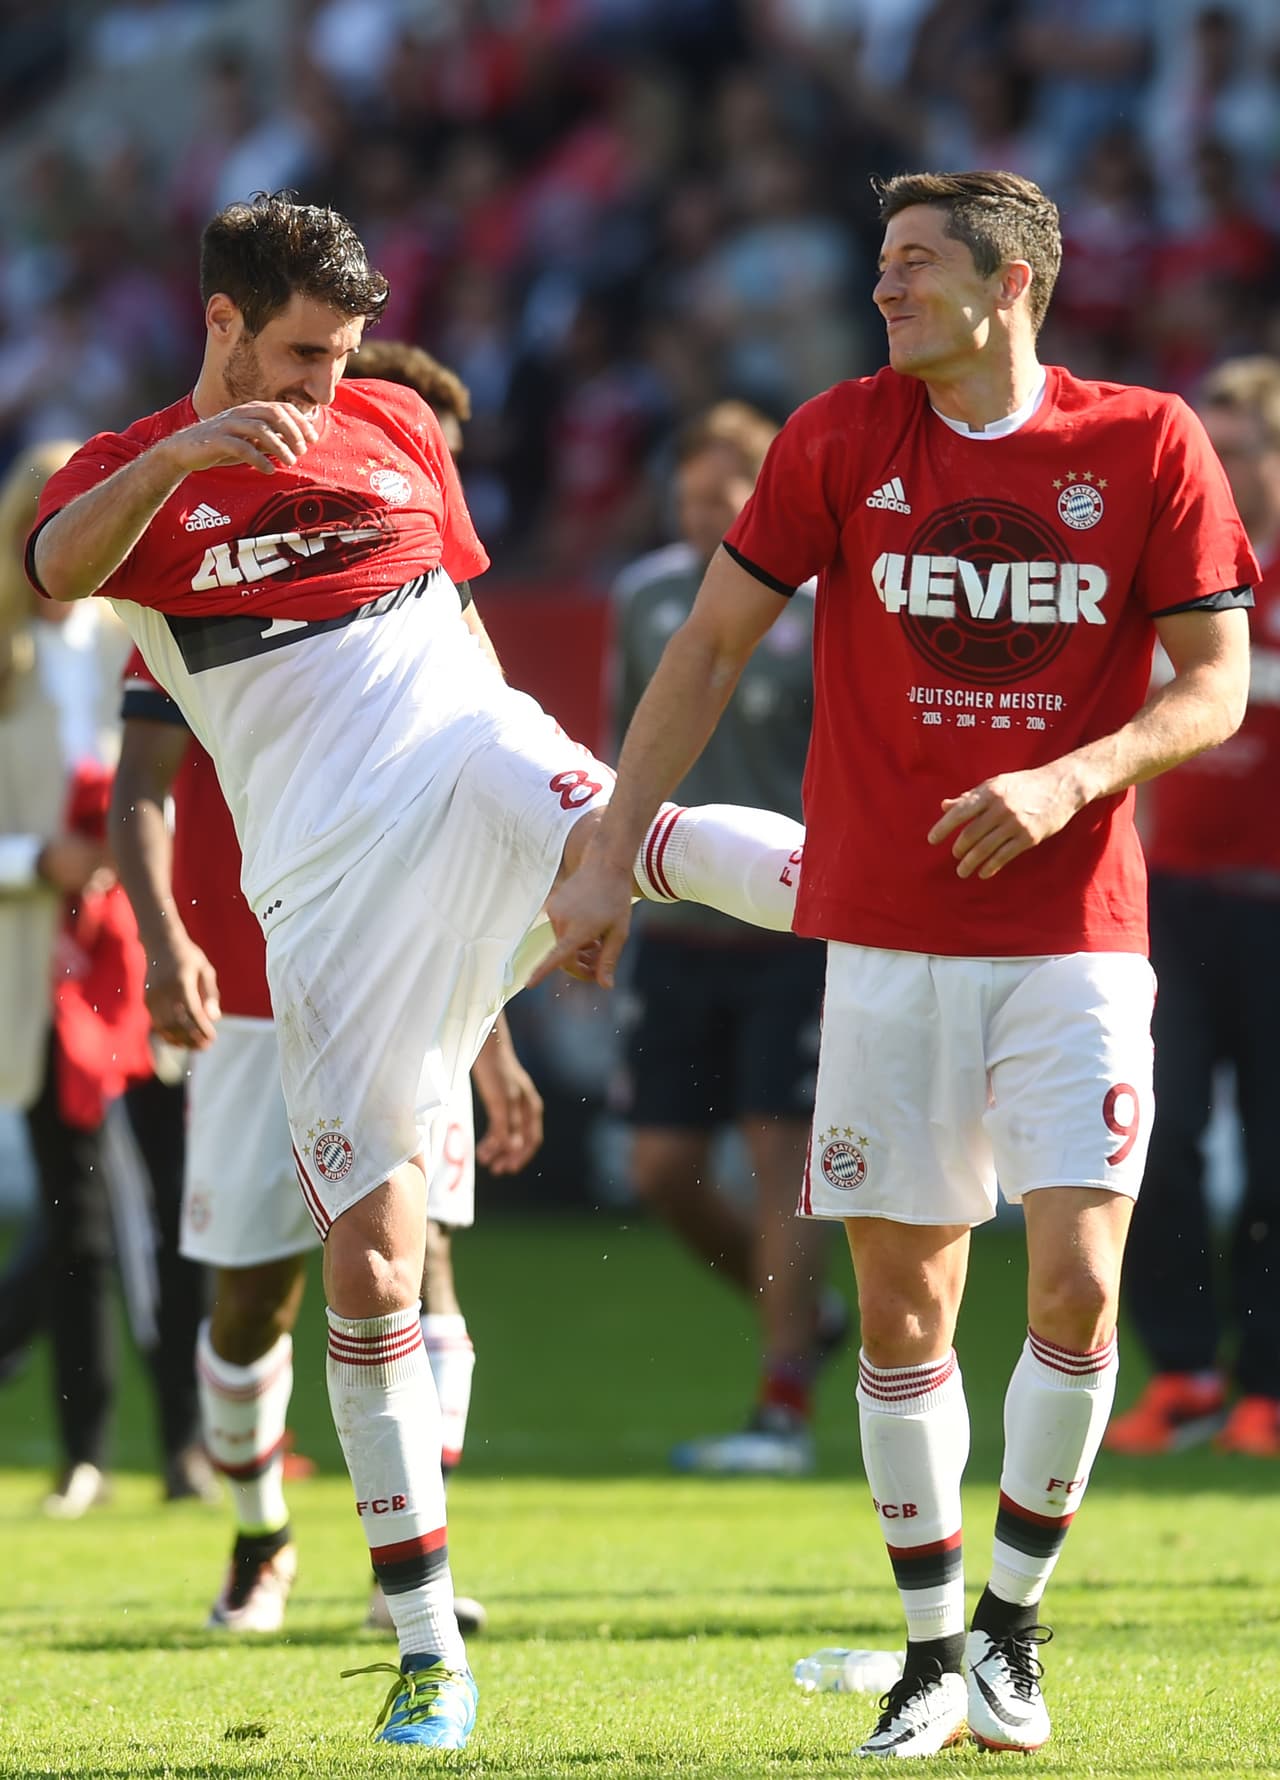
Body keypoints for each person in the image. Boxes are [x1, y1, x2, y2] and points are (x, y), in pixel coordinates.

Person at [27, 192, 805, 1751]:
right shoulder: (129, 478)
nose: (327, 390)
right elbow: (49, 568)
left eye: (347, 355)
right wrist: (183, 456)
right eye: (302, 355)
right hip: (324, 900)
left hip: (473, 757)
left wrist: (540, 873)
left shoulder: (392, 420)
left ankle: (929, 901)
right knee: (365, 1270)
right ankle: (427, 1646)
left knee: (646, 835)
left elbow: (456, 623)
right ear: (221, 323)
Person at [536, 168, 1255, 1758]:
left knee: (1077, 1277)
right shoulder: (837, 437)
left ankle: (1013, 1627)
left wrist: (1073, 777)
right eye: (880, 263)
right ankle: (935, 1651)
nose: (884, 290)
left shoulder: (1143, 443)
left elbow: (1214, 683)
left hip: (1077, 936)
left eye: (915, 265)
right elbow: (708, 645)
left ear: (1011, 286)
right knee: (903, 1310)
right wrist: (605, 853)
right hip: (887, 946)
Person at [109, 337, 540, 1637]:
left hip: (409, 982)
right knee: (252, 1296)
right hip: (253, 988)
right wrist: (160, 934)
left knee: (423, 1269)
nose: (422, 494)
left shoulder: (434, 627)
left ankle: (413, 1574)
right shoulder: (214, 585)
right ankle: (259, 1534)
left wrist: (495, 1031)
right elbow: (139, 792)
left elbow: (484, 824)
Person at [611, 400, 839, 1478]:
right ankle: (800, 1315)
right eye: (690, 493)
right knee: (660, 1168)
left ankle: (781, 1398)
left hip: (795, 926)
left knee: (779, 1153)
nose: (703, 510)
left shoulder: (820, 600)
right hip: (677, 921)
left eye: (723, 493)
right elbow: (627, 743)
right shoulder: (644, 595)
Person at [0, 440, 213, 1516]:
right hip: (33, 976)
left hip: (137, 960)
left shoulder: (129, 635)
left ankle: (187, 1445)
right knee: (74, 1222)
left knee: (181, 1208)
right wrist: (39, 862)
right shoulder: (6, 657)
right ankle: (83, 1451)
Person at [1106, 355, 1280, 1460]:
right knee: (1146, 1142)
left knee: (1273, 1157)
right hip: (1168, 900)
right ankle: (1181, 1373)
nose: (1220, 462)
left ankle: (1265, 1388)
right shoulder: (1169, 562)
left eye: (1242, 441)